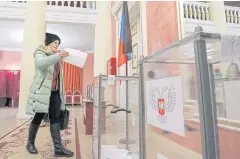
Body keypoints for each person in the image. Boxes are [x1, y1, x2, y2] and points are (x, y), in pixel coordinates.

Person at [25, 33, 74, 157]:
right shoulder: (40, 53)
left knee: (55, 118)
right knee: (38, 116)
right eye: (55, 43)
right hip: (43, 92)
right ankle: (30, 143)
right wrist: (57, 56)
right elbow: (41, 64)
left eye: (58, 44)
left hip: (55, 92)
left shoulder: (56, 57)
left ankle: (58, 148)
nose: (56, 45)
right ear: (49, 42)